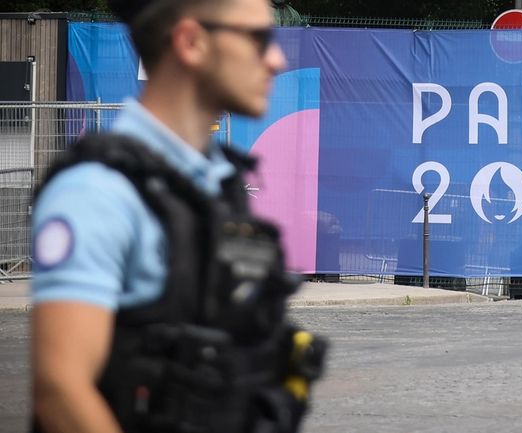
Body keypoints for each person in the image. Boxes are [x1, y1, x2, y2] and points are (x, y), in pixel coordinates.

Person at [30, 0, 325, 432]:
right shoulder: (98, 193)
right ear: (191, 42)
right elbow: (61, 391)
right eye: (258, 38)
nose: (276, 59)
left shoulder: (218, 185)